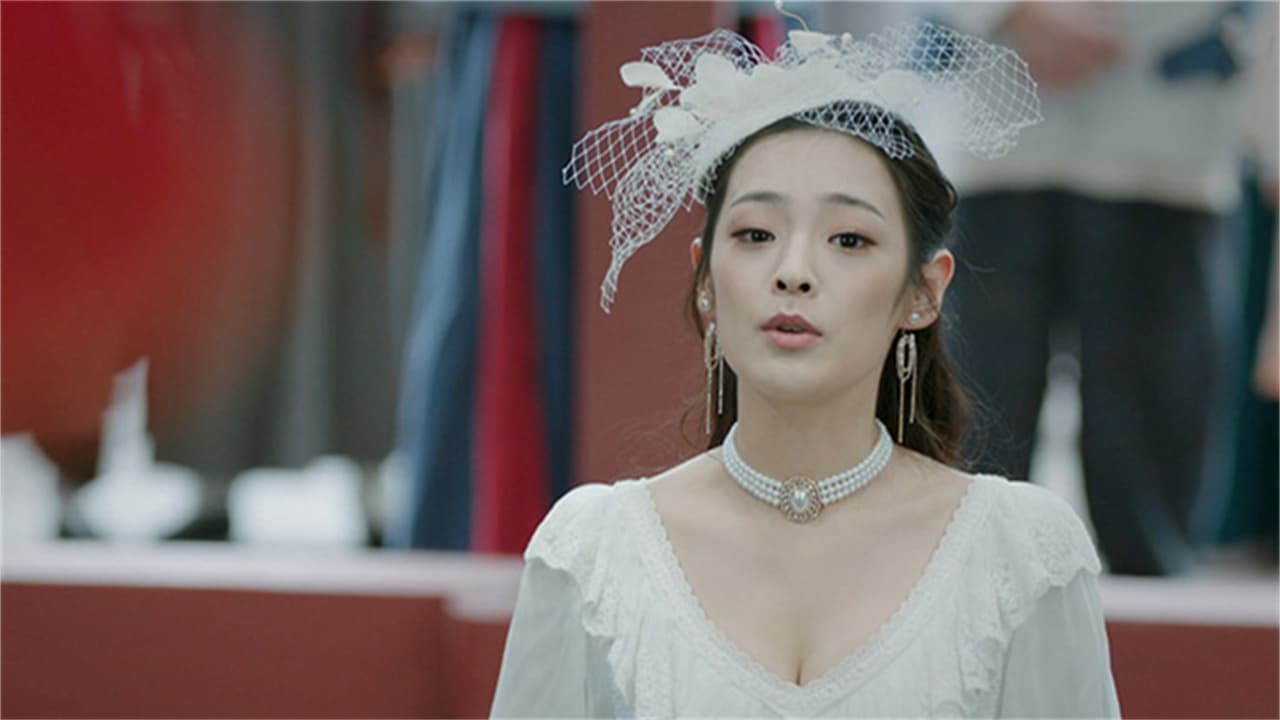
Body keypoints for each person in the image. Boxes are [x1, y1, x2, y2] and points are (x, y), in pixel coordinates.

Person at [490, 20, 1121, 717]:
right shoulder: (592, 553)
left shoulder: (1022, 555)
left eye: (848, 239)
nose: (793, 272)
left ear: (923, 292)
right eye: (756, 234)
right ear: (705, 279)